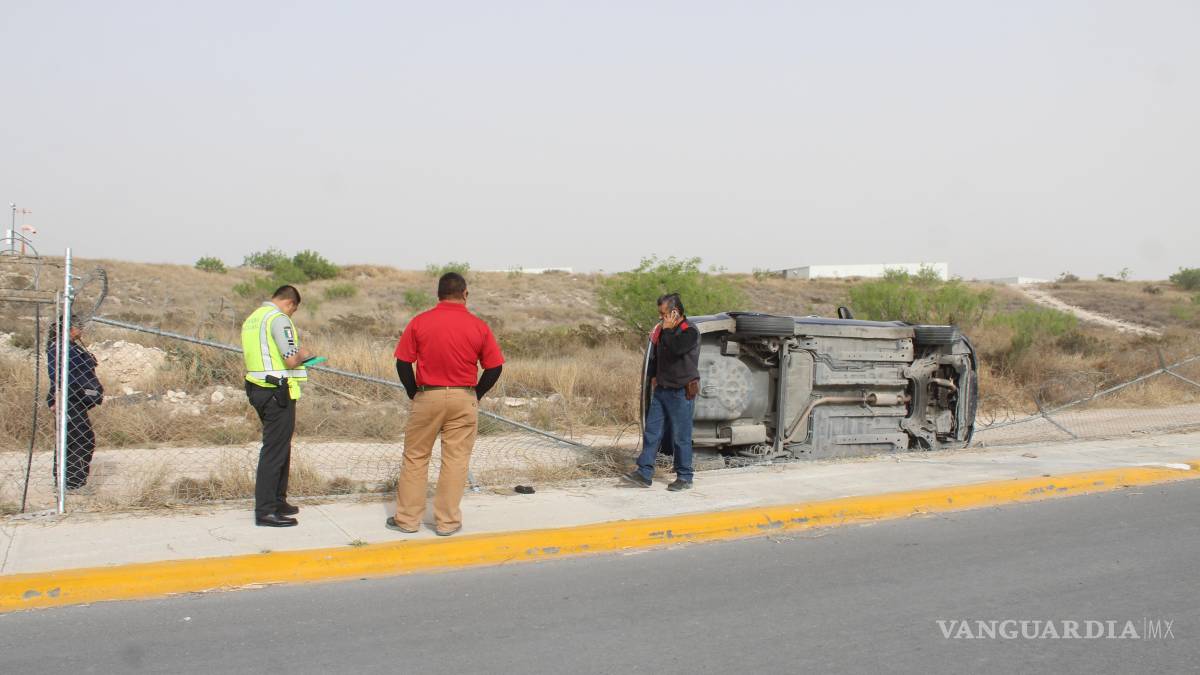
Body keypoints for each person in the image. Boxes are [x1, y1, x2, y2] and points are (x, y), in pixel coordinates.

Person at [387, 272, 504, 536]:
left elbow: (403, 363)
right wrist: (476, 394)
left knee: (416, 457)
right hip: (463, 397)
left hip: (428, 395)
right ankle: (447, 522)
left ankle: (407, 520)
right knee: (456, 460)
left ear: (438, 294)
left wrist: (414, 393)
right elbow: (495, 367)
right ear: (465, 294)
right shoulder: (478, 326)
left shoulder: (420, 322)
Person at [241, 285, 313, 527]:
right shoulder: (278, 319)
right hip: (276, 391)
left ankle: (278, 501)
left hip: (258, 388)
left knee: (279, 447)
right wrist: (305, 353)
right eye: (293, 310)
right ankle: (266, 511)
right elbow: (291, 359)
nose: (292, 315)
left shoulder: (254, 317)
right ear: (290, 304)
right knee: (274, 451)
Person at [625, 293, 700, 491]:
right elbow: (656, 358)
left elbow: (676, 350)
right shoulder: (662, 331)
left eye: (663, 313)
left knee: (681, 437)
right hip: (662, 391)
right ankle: (644, 473)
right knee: (652, 432)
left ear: (674, 312)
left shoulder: (689, 332)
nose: (660, 317)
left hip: (681, 393)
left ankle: (685, 476)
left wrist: (666, 331)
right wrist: (651, 379)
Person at [46, 316, 103, 492]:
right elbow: (59, 376)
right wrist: (56, 398)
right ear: (69, 329)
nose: (81, 330)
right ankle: (72, 484)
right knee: (80, 439)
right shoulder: (60, 349)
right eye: (78, 327)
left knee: (75, 438)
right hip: (68, 399)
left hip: (76, 401)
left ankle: (67, 483)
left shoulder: (72, 348)